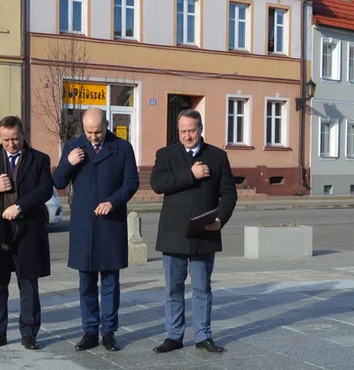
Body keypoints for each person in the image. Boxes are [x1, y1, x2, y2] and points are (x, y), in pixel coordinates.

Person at [150, 109, 236, 354]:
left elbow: (229, 193)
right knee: (173, 289)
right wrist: (190, 174)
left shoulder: (218, 157)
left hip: (204, 232)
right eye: (183, 131)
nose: (188, 135)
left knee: (201, 289)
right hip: (173, 234)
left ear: (201, 129)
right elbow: (158, 184)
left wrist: (220, 219)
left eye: (192, 130)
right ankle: (174, 335)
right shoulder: (165, 155)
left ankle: (203, 336)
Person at [52, 109, 139, 352]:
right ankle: (89, 330)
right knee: (86, 282)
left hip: (111, 224)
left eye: (98, 131)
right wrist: (69, 164)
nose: (93, 137)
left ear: (107, 125)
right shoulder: (74, 146)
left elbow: (131, 182)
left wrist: (113, 201)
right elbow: (58, 182)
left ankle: (109, 331)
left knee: (110, 281)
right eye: (89, 132)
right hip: (84, 225)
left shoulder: (122, 147)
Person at [0, 116, 54, 351]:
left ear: (23, 135)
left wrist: (21, 205)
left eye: (15, 138)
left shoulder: (39, 159)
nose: (11, 144)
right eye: (5, 140)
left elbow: (45, 189)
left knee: (28, 284)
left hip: (27, 230)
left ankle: (29, 332)